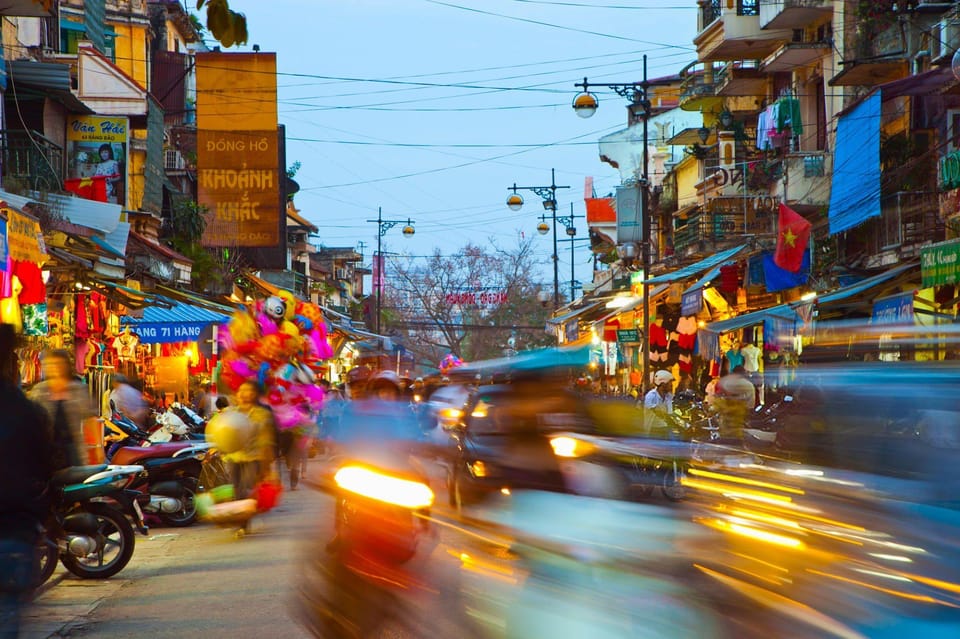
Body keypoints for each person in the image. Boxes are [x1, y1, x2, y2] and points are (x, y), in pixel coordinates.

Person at [0, 324, 56, 638]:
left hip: (16, 529)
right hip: (15, 532)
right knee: (8, 618)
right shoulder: (26, 410)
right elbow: (47, 468)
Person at [28, 349, 95, 470]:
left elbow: (90, 419)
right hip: (47, 451)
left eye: (58, 364)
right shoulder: (39, 391)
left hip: (73, 450)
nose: (55, 368)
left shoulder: (78, 389)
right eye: (50, 364)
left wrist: (96, 450)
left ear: (66, 365)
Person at [221, 381, 277, 500]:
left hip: (253, 457)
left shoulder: (262, 414)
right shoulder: (229, 412)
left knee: (247, 488)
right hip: (233, 456)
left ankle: (245, 512)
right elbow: (221, 433)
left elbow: (266, 439)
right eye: (240, 390)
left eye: (247, 390)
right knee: (233, 488)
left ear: (254, 394)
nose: (242, 393)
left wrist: (266, 463)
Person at [714, 366, 757, 442]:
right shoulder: (749, 384)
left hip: (737, 413)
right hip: (748, 410)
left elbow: (722, 397)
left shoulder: (733, 383)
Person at [642, 370, 675, 435]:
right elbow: (656, 411)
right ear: (663, 383)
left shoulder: (669, 396)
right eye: (669, 382)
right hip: (653, 431)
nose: (671, 385)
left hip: (666, 429)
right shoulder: (651, 396)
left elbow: (672, 411)